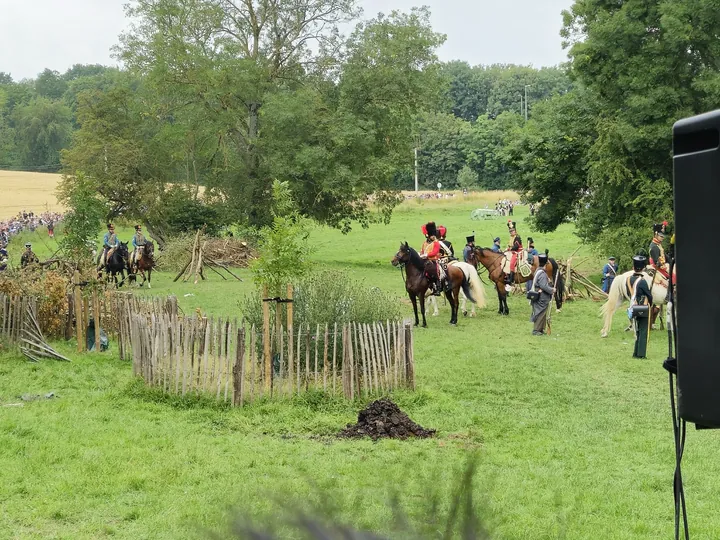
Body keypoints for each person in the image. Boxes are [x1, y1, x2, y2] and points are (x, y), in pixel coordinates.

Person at [629, 255, 653, 358]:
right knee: (643, 331)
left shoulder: (629, 279)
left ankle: (635, 353)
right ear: (643, 268)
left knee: (638, 330)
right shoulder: (642, 281)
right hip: (642, 307)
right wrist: (650, 305)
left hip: (633, 306)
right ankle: (641, 354)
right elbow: (649, 295)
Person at [529, 252, 555, 336]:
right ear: (546, 264)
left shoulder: (538, 271)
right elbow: (544, 286)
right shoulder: (542, 274)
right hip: (542, 297)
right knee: (540, 313)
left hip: (540, 295)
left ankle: (540, 329)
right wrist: (552, 290)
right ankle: (536, 330)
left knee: (542, 312)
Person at [419, 222, 444, 296]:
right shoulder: (424, 243)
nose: (434, 237)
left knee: (434, 271)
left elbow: (435, 252)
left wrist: (426, 255)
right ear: (429, 236)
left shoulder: (436, 243)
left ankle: (437, 287)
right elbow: (422, 251)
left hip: (433, 260)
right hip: (424, 260)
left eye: (434, 235)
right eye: (432, 235)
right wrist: (421, 254)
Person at [505, 221, 523, 290]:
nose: (511, 232)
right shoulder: (511, 237)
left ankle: (511, 279)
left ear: (515, 231)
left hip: (518, 252)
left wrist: (509, 249)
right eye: (510, 231)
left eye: (512, 231)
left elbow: (516, 247)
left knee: (512, 262)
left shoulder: (517, 237)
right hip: (512, 251)